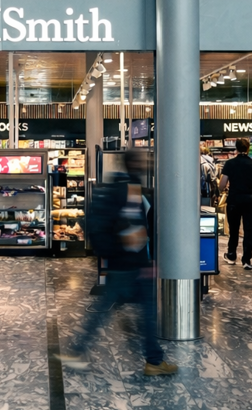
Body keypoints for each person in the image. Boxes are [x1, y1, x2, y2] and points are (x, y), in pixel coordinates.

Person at [58, 149, 177, 377]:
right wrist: (145, 261)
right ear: (135, 164)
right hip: (131, 264)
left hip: (120, 262)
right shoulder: (131, 190)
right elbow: (135, 228)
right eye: (142, 160)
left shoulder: (115, 188)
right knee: (146, 313)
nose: (147, 163)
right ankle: (154, 361)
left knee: (106, 310)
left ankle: (79, 350)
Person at [219, 138, 252, 269]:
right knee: (248, 229)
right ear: (248, 148)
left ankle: (232, 255)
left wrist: (223, 190)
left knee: (234, 229)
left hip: (234, 199)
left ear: (236, 149)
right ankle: (246, 260)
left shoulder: (230, 164)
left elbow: (222, 184)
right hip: (250, 200)